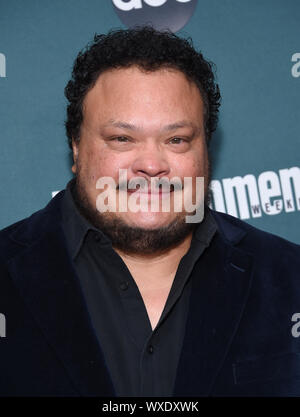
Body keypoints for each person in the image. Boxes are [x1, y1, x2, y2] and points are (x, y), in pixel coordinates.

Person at [0, 26, 300, 397]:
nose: (151, 164)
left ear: (206, 150)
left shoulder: (289, 279)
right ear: (76, 147)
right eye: (122, 139)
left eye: (176, 140)